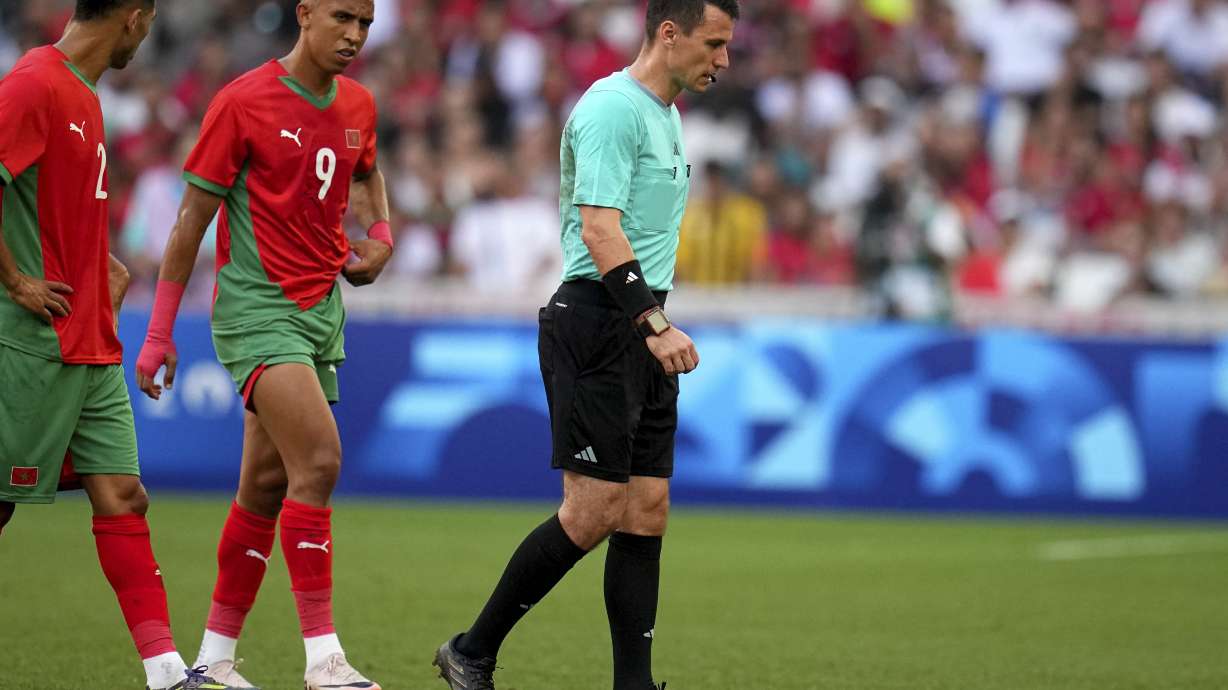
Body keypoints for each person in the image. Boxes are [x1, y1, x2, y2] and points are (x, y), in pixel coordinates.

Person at [432, 2, 738, 689]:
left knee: (647, 506)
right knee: (592, 510)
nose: (723, 60)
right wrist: (653, 326)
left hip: (640, 317)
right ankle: (472, 651)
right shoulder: (611, 109)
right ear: (669, 32)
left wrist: (654, 320)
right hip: (600, 319)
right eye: (714, 44)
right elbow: (599, 230)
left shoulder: (667, 115)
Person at [133, 1, 393, 688]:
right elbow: (191, 220)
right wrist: (159, 332)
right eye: (343, 17)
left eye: (365, 23)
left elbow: (366, 171)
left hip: (319, 312)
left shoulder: (359, 103)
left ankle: (213, 659)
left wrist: (383, 238)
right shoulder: (244, 101)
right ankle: (323, 659)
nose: (355, 34)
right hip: (256, 309)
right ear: (304, 13)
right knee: (321, 458)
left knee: (265, 484)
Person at [0, 2, 243, 689]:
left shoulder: (85, 96)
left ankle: (167, 673)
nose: (148, 39)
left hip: (92, 339)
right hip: (31, 341)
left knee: (123, 494)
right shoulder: (34, 83)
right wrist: (16, 281)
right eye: (151, 25)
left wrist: (100, 268)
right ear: (134, 18)